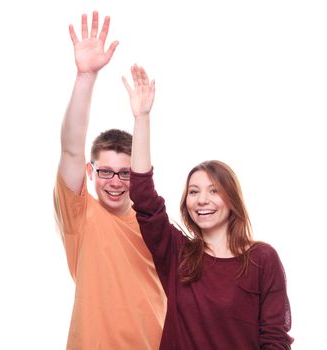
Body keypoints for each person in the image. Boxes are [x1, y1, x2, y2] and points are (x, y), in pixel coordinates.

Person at [123, 65, 294, 349]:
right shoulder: (177, 253)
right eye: (194, 191)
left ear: (232, 199)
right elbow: (142, 196)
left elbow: (275, 339)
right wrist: (142, 119)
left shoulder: (263, 259)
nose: (202, 199)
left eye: (214, 191)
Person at [53, 12, 166, 349]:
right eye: (105, 171)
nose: (115, 182)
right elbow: (71, 149)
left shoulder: (159, 226)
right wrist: (85, 76)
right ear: (91, 173)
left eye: (125, 173)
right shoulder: (81, 216)